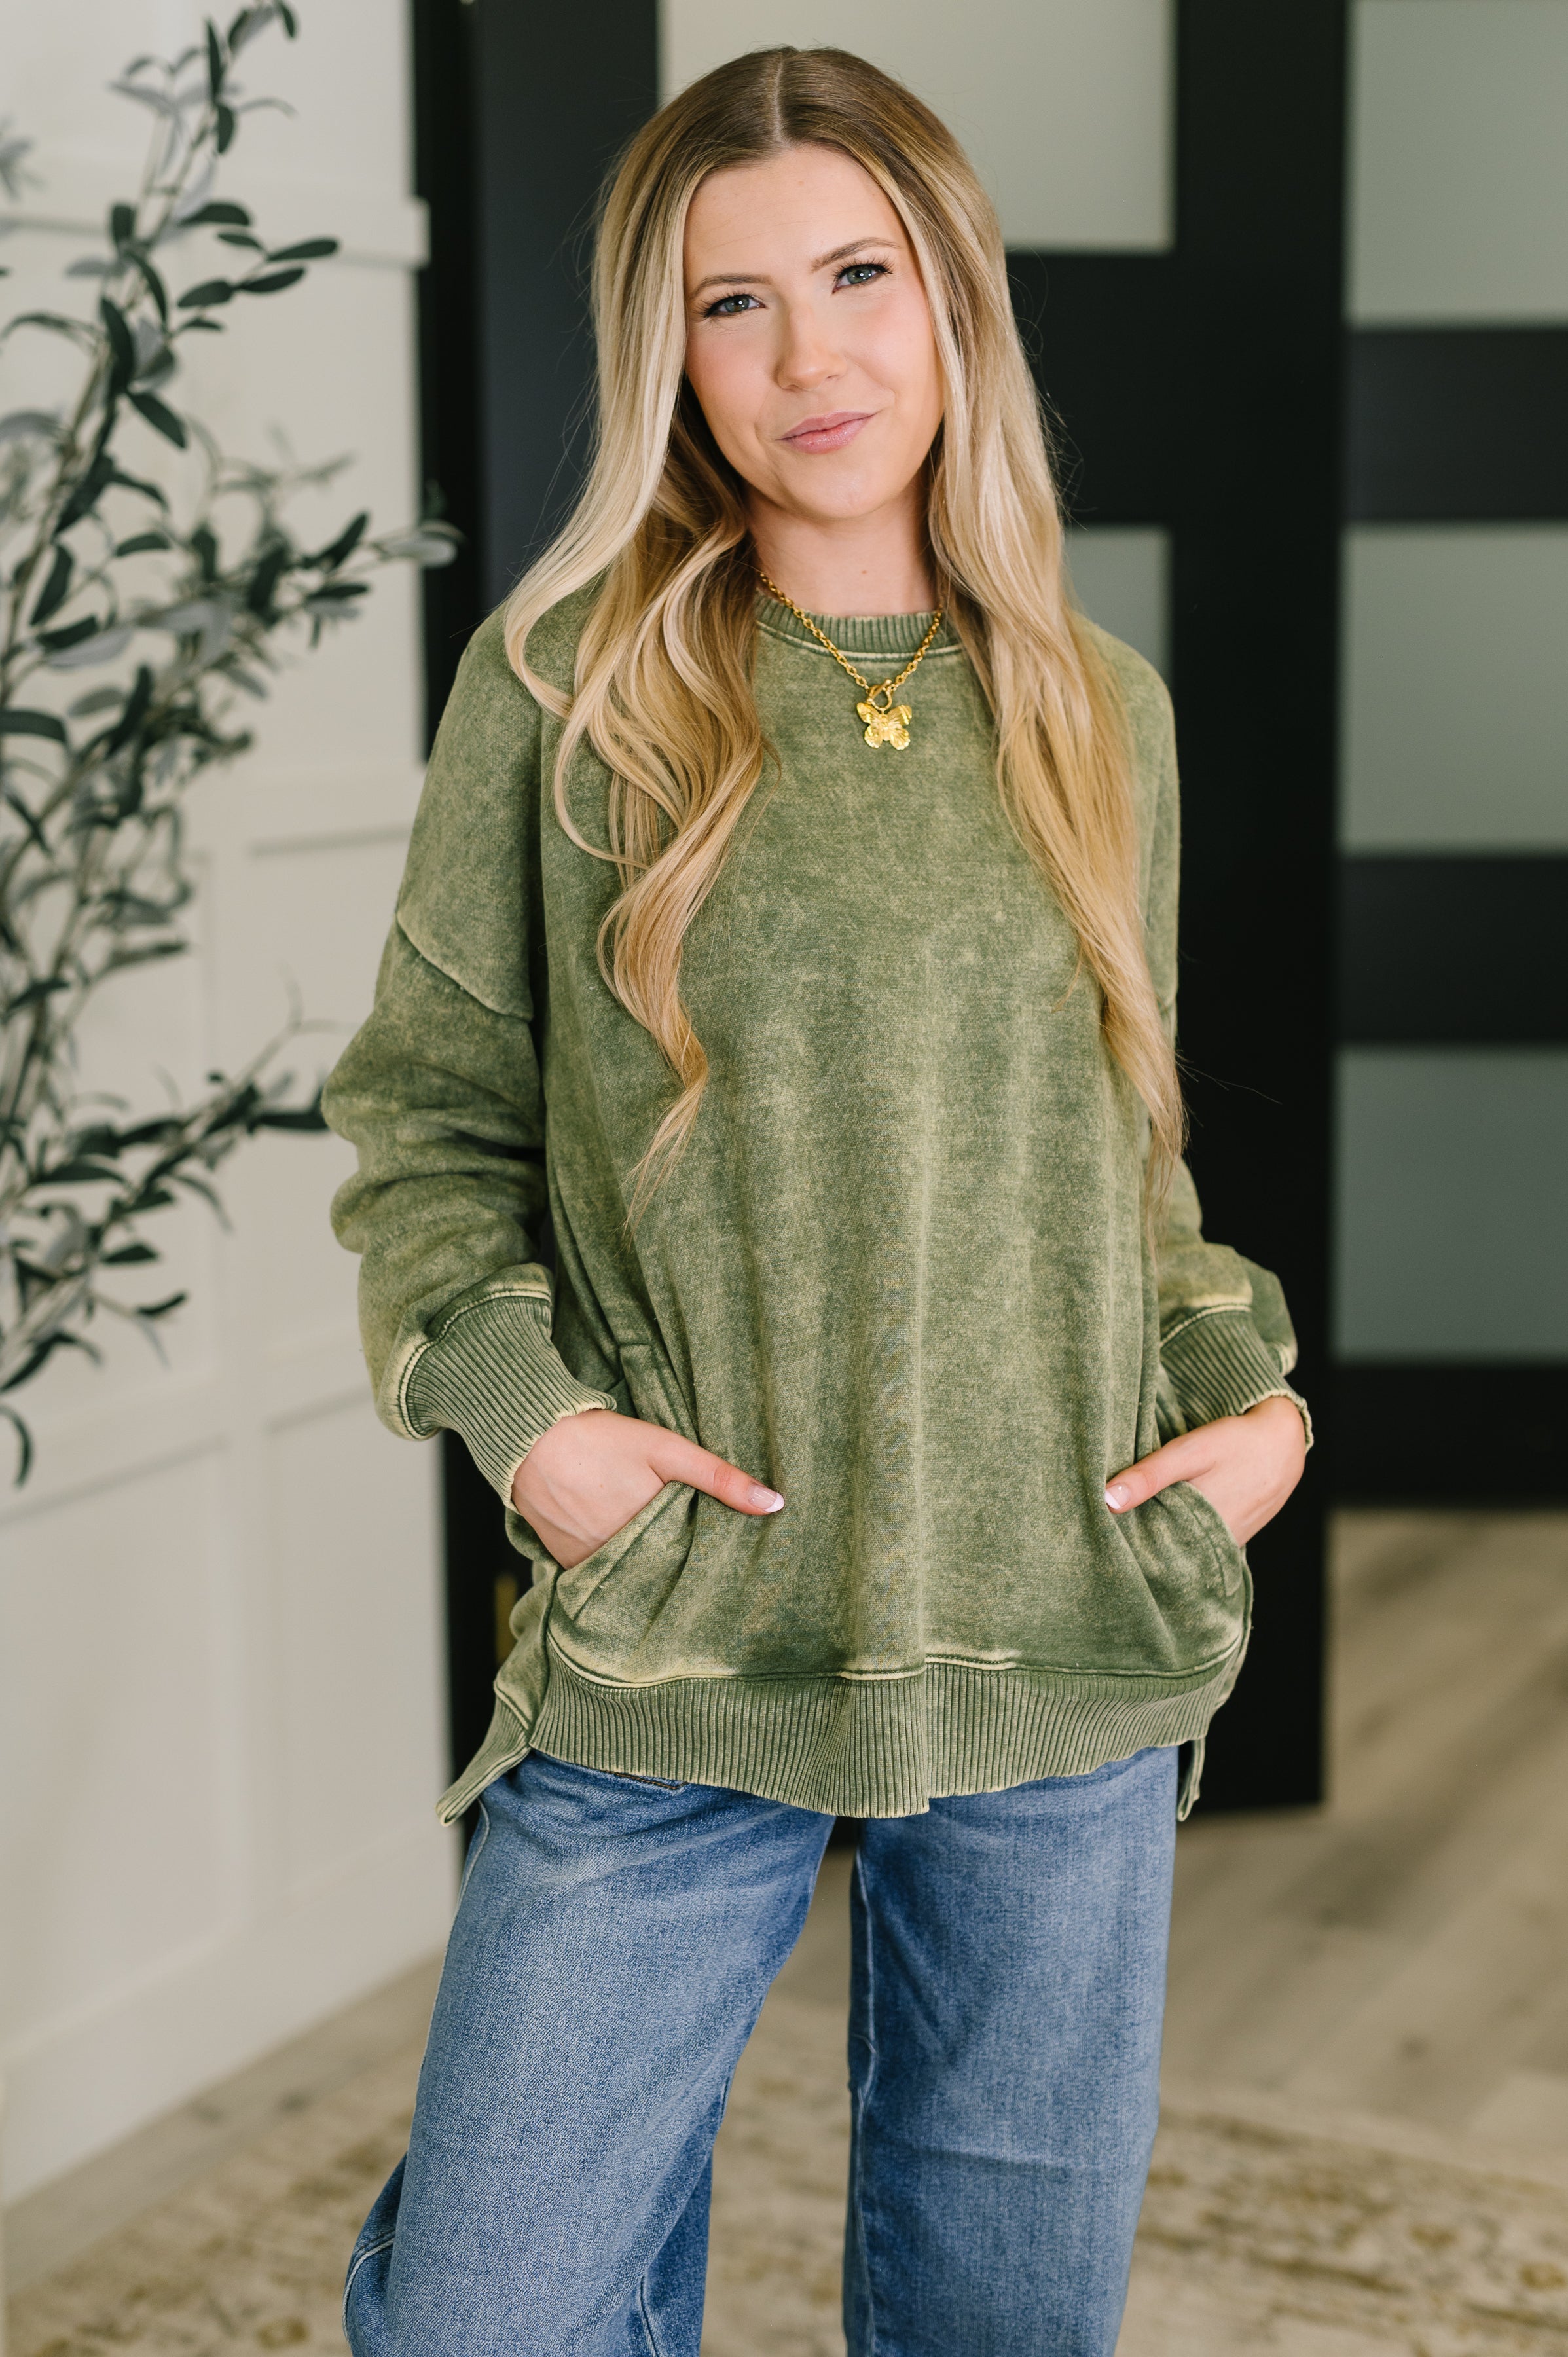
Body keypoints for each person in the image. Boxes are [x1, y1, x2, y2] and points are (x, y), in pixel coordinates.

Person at [324, 44, 1309, 2357]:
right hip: (687, 1633)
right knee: (484, 2315)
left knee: (999, 2317)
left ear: (952, 296)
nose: (807, 357)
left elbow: (1119, 1160)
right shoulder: (565, 694)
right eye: (730, 301)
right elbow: (426, 1126)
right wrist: (536, 1435)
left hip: (1062, 1620)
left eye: (858, 275)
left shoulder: (1097, 708)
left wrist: (1245, 1399)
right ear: (664, 354)